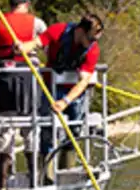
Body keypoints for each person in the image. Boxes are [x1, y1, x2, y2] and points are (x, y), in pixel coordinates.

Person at [0, 0, 46, 190]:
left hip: (6, 80)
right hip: (29, 79)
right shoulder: (37, 23)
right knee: (31, 127)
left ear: (10, 5)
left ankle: (2, 184)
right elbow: (48, 43)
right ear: (26, 4)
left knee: (6, 129)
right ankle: (35, 180)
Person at [38, 14, 103, 167]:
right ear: (80, 31)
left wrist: (65, 101)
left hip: (73, 94)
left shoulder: (92, 51)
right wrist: (21, 46)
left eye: (96, 40)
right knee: (47, 129)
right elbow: (36, 42)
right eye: (91, 39)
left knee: (75, 130)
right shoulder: (58, 31)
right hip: (51, 87)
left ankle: (67, 168)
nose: (93, 43)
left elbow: (83, 81)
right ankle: (45, 173)